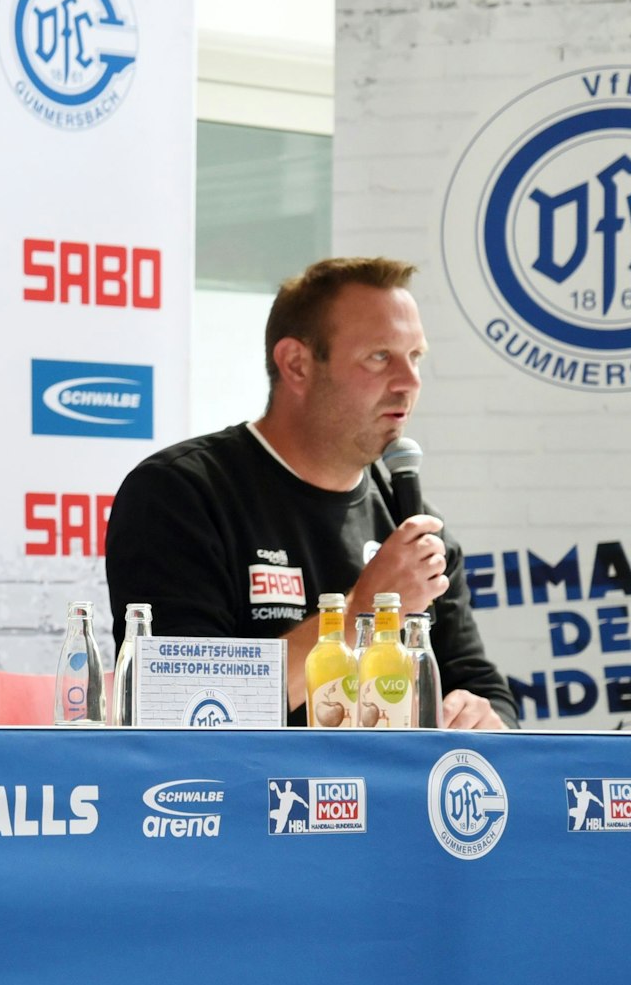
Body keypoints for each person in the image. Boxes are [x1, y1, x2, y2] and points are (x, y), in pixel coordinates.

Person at [105, 257, 515, 729]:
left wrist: (481, 717)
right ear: (297, 364)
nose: (409, 382)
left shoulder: (413, 523)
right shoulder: (181, 493)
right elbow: (183, 707)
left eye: (415, 357)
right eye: (379, 357)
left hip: (390, 796)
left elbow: (485, 690)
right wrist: (363, 610)